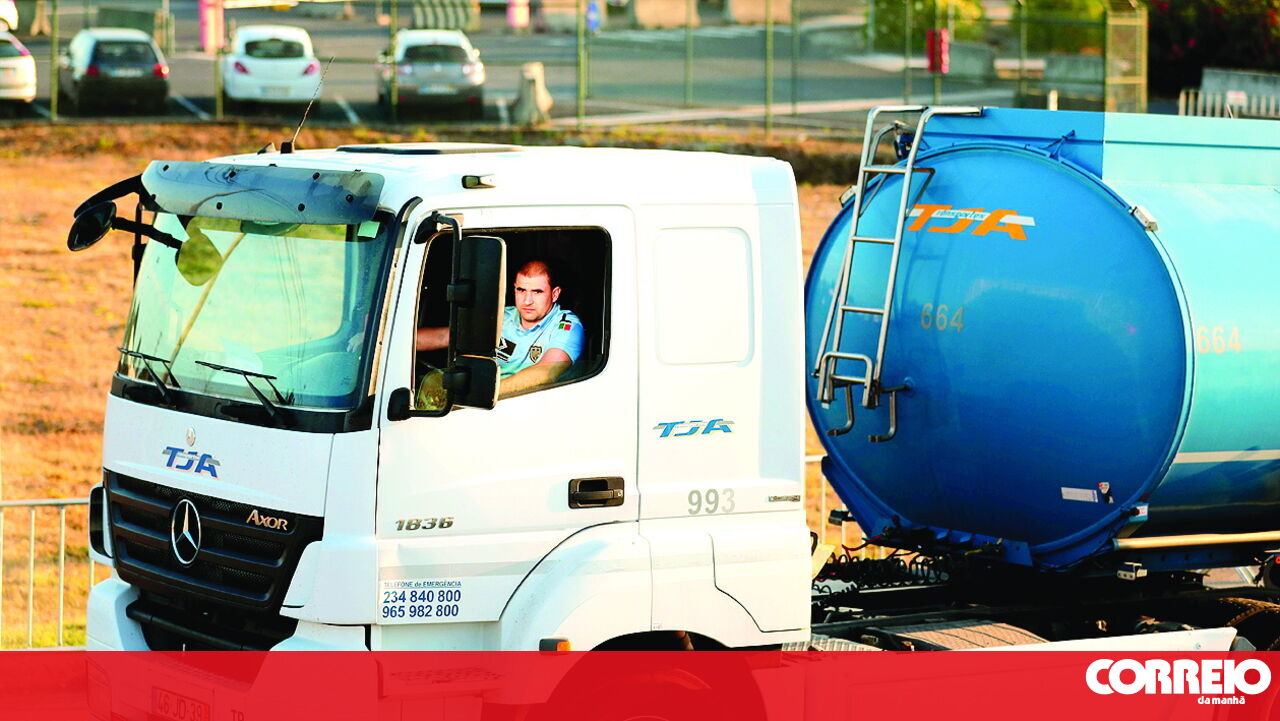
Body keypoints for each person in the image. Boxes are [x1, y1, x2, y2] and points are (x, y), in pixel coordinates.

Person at [416, 259, 585, 403]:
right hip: (486, 401)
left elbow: (546, 372)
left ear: (555, 294)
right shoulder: (504, 316)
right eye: (521, 290)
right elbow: (444, 336)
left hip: (529, 405)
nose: (527, 301)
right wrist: (402, 342)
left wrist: (483, 394)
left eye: (537, 292)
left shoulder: (567, 326)